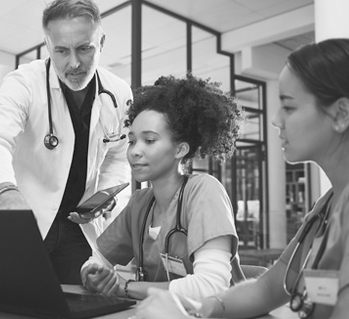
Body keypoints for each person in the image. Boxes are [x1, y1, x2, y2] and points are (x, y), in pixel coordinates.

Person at [133, 38, 349, 319]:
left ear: (341, 114)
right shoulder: (328, 206)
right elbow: (265, 290)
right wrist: (206, 308)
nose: (275, 118)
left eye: (289, 107)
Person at [0, 0, 132, 284]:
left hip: (78, 226)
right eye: (61, 51)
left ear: (102, 42)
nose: (74, 63)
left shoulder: (119, 93)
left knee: (79, 304)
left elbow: (119, 156)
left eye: (85, 48)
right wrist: (6, 194)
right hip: (27, 220)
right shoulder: (23, 82)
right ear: (47, 45)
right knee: (14, 302)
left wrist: (106, 195)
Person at [80, 74, 244, 300]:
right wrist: (93, 274)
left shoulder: (204, 191)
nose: (134, 151)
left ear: (180, 150)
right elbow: (98, 259)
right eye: (131, 140)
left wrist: (125, 287)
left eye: (149, 140)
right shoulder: (140, 203)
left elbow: (211, 288)